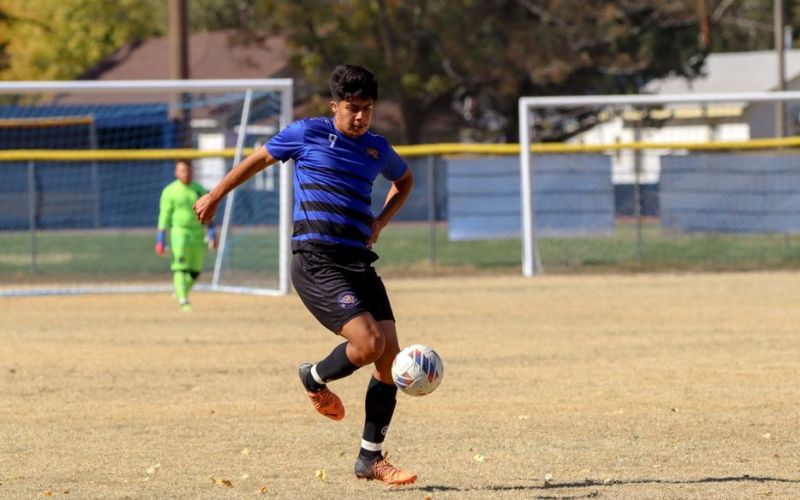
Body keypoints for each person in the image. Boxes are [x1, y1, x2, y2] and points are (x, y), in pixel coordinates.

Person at [193, 64, 416, 485]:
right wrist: (215, 194)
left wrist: (381, 220)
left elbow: (404, 180)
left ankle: (370, 459)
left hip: (358, 261)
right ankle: (314, 378)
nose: (360, 117)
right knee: (369, 343)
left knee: (389, 359)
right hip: (316, 261)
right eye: (352, 108)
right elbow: (258, 159)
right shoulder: (306, 133)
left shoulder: (376, 147)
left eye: (367, 108)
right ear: (335, 106)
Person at [156, 159, 218, 311]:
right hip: (179, 233)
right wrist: (161, 239)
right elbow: (164, 215)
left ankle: (180, 291)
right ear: (176, 172)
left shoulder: (198, 190)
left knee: (196, 270)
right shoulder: (170, 191)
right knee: (180, 267)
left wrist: (212, 233)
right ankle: (183, 300)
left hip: (197, 234)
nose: (186, 173)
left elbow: (208, 213)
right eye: (183, 170)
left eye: (189, 170)